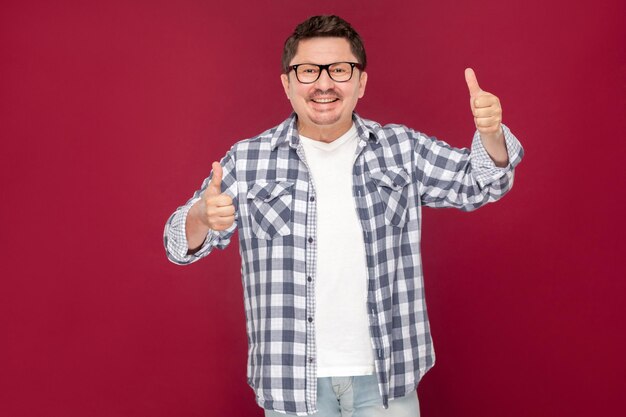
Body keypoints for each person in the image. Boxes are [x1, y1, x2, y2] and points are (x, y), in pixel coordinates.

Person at [164, 14, 523, 417]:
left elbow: (480, 183)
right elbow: (178, 245)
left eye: (339, 69)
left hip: (386, 381)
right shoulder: (248, 161)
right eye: (307, 70)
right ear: (286, 82)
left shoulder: (400, 150)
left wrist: (491, 135)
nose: (323, 83)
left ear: (360, 81)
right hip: (291, 384)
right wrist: (200, 216)